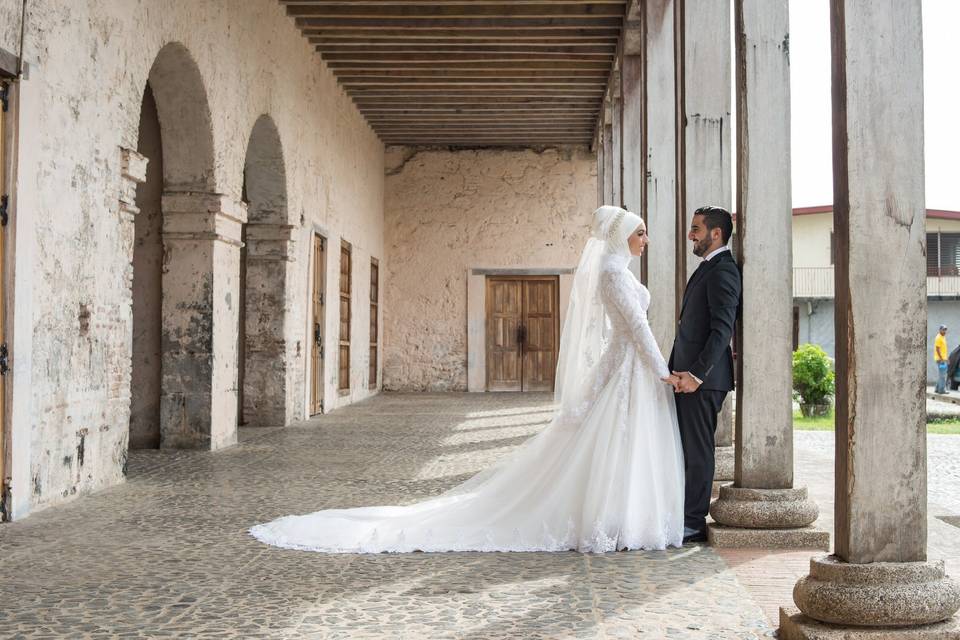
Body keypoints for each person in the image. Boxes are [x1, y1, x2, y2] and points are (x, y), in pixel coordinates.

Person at [249, 206, 686, 553]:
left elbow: (623, 328)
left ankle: (620, 516)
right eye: (641, 232)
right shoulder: (612, 273)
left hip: (625, 367)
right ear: (621, 235)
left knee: (616, 444)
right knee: (610, 442)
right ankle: (607, 518)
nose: (645, 239)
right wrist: (663, 371)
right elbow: (637, 328)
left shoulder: (619, 271)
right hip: (629, 366)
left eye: (645, 232)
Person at [668, 206, 741, 543]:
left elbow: (721, 330)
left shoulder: (724, 271)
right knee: (686, 449)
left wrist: (695, 376)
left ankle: (693, 523)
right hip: (688, 378)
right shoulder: (707, 268)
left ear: (716, 233)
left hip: (704, 381)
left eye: (696, 229)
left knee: (698, 452)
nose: (690, 235)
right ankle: (684, 514)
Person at [935, 325, 949, 394]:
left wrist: (946, 359)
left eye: (945, 330)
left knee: (941, 375)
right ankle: (942, 390)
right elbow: (937, 349)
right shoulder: (938, 338)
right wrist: (942, 359)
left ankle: (937, 389)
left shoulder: (943, 337)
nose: (944, 331)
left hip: (943, 359)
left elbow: (943, 349)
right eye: (943, 329)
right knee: (943, 376)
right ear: (940, 330)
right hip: (941, 360)